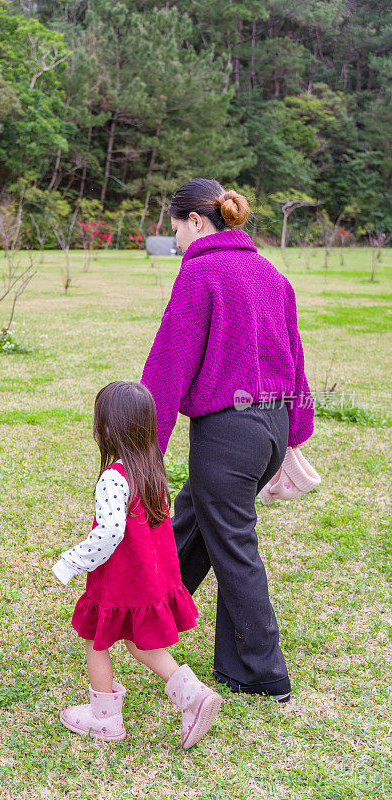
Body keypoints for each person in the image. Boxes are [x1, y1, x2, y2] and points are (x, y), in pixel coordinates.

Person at [141, 178, 316, 704]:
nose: (173, 239)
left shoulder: (200, 273)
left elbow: (170, 366)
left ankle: (262, 672)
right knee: (195, 514)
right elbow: (295, 354)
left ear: (196, 221)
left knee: (234, 547)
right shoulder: (270, 273)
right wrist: (295, 431)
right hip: (270, 428)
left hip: (228, 434)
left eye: (174, 227)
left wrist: (141, 448)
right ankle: (150, 612)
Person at [52, 381, 223, 748]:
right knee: (136, 641)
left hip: (120, 580)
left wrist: (72, 561)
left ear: (109, 429)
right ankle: (192, 695)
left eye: (98, 421)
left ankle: (105, 721)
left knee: (96, 642)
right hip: (149, 578)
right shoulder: (149, 468)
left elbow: (110, 533)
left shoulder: (114, 476)